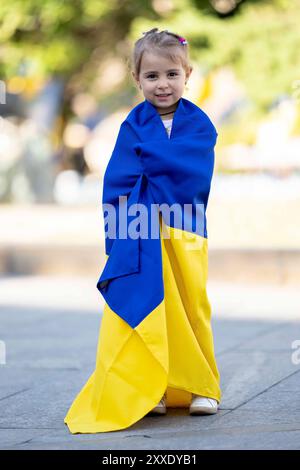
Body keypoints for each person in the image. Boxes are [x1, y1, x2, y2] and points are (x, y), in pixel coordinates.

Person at [64, 27, 221, 434]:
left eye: (171, 74)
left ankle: (203, 385)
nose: (162, 84)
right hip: (139, 230)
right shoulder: (132, 126)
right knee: (155, 307)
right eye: (151, 76)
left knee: (190, 304)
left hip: (184, 227)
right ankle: (159, 387)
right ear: (137, 80)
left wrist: (155, 169)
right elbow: (118, 179)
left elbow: (194, 168)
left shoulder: (198, 124)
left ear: (188, 74)